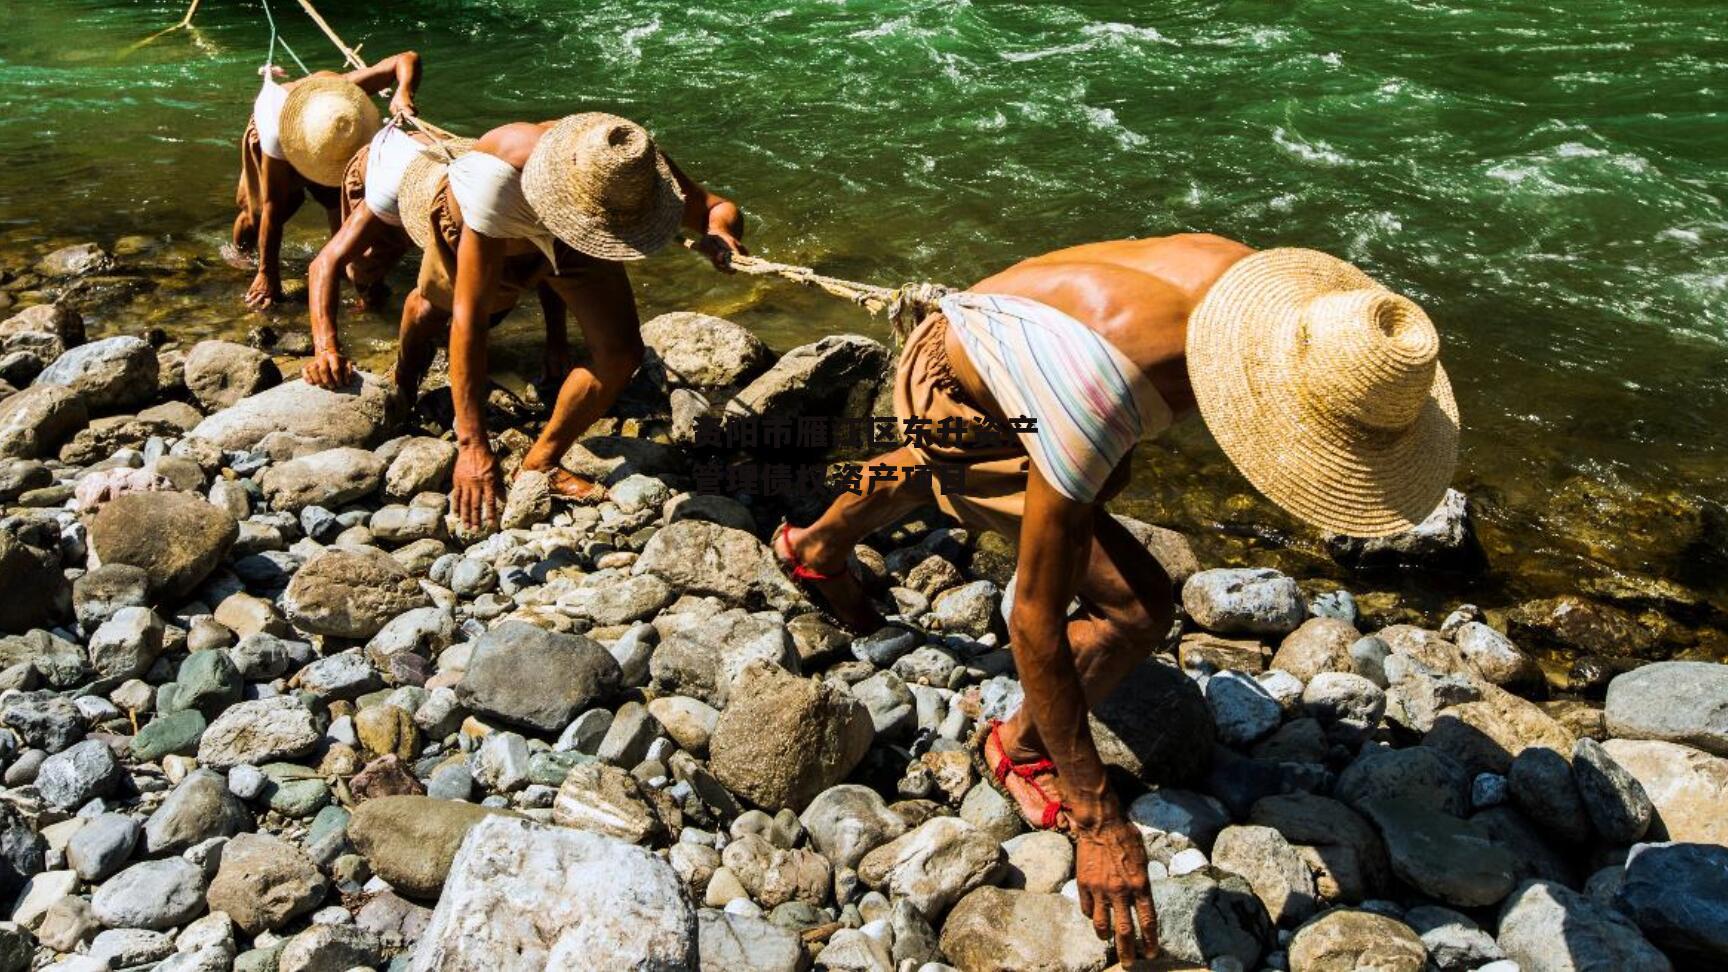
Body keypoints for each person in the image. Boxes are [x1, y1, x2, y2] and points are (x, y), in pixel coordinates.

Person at [771, 236, 1459, 963]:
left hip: (984, 331)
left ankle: (814, 549)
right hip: (972, 380)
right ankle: (1017, 746)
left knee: (957, 453)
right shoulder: (1099, 396)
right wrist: (1098, 814)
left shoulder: (1259, 291)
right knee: (1135, 609)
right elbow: (1033, 614)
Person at [389, 112, 745, 526]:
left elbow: (716, 208)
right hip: (491, 226)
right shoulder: (499, 182)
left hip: (580, 227)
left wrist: (720, 234)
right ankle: (401, 390)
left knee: (620, 353)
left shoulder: (634, 167)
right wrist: (471, 446)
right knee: (433, 311)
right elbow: (472, 321)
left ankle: (540, 462)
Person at [229, 51, 422, 311]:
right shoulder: (276, 133)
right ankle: (241, 258)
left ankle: (344, 275)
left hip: (335, 144)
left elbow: (407, 58)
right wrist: (268, 274)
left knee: (341, 215)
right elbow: (273, 208)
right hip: (281, 140)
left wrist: (404, 91)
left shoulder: (345, 95)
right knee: (260, 213)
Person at [301, 118, 436, 388]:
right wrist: (326, 348)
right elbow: (323, 263)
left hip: (426, 170)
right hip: (375, 170)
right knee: (364, 267)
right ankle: (368, 296)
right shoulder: (391, 194)